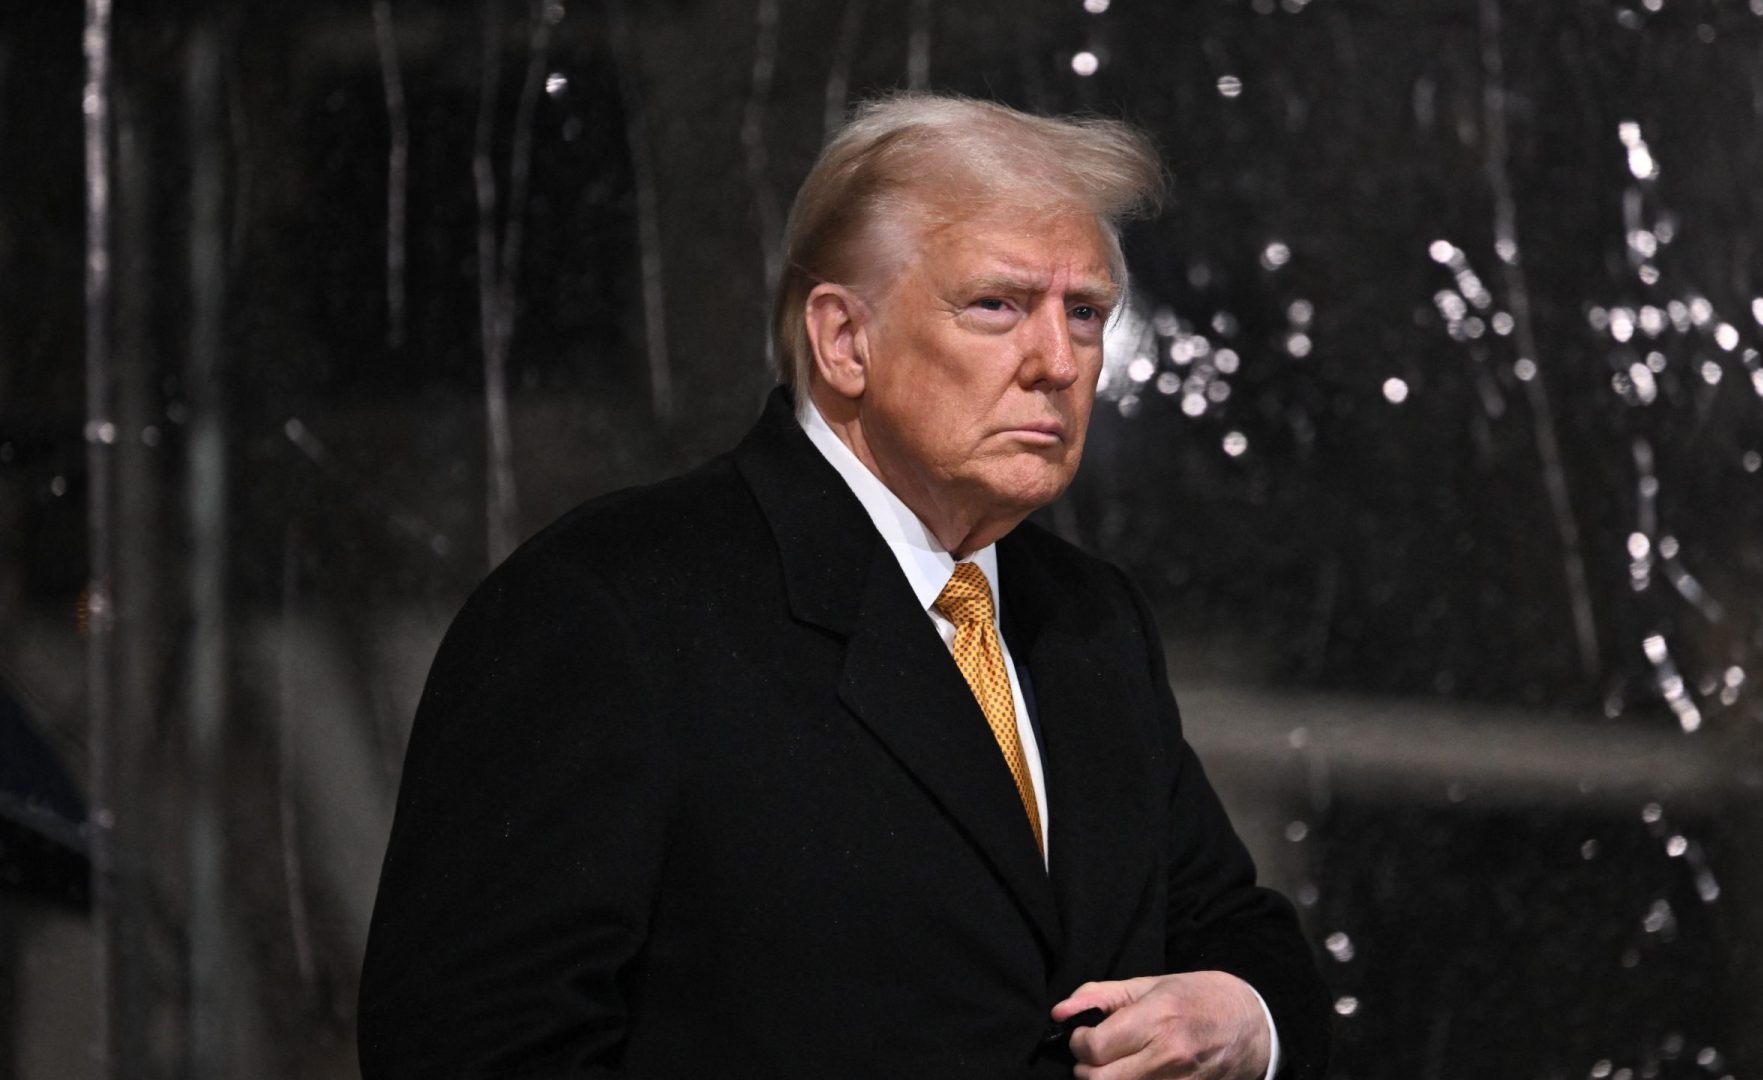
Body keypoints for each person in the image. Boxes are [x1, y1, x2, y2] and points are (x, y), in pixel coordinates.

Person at [358, 93, 1330, 1079]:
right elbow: (472, 1045)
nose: (1058, 362)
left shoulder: (1090, 620)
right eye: (997, 304)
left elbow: (1225, 922)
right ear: (843, 341)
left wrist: (1246, 1018)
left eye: (1084, 314)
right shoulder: (609, 610)